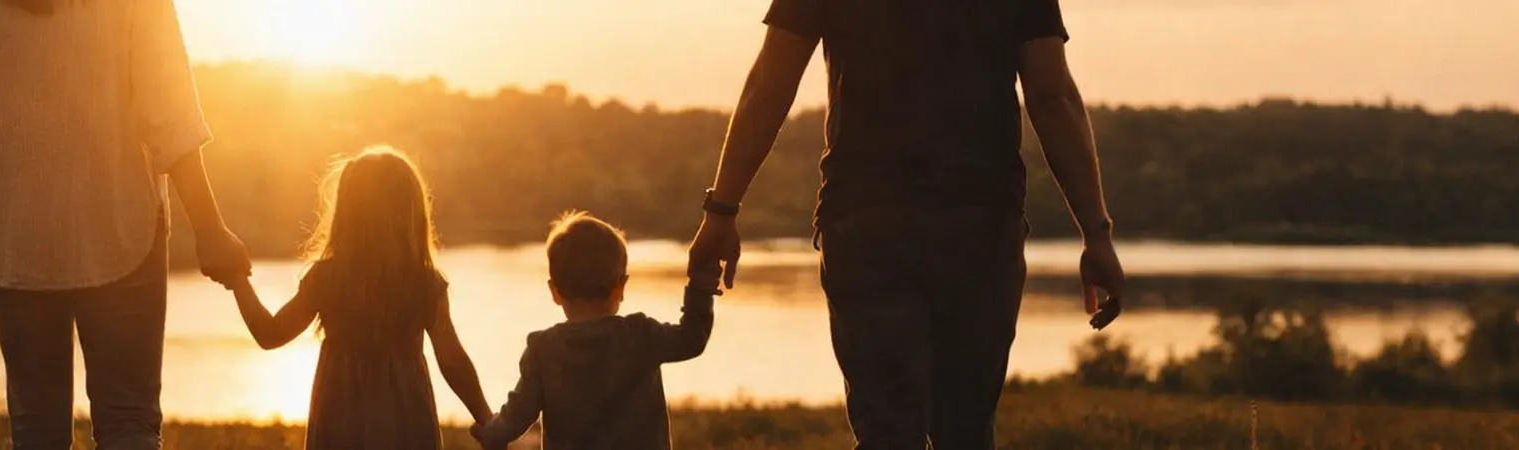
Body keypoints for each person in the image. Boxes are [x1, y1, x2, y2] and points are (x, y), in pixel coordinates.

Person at [684, 0, 1128, 448]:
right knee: (966, 429)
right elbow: (1052, 98)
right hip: (978, 225)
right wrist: (1096, 233)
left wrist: (722, 210)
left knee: (887, 433)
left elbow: (770, 85)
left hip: (868, 221)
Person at [0, 0, 249, 448]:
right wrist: (209, 228)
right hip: (122, 223)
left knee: (35, 431)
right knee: (128, 422)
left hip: (12, 235)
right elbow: (170, 112)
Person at [221, 147, 494, 448]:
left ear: (346, 214)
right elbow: (452, 361)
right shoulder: (423, 285)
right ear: (412, 214)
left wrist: (237, 279)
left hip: (339, 423)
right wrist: (488, 420)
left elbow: (270, 334)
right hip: (407, 426)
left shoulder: (327, 280)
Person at [471, 212, 717, 449]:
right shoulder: (640, 335)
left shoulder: (542, 350)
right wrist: (701, 285)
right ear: (620, 287)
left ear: (554, 291)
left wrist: (491, 432)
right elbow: (692, 339)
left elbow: (517, 415)